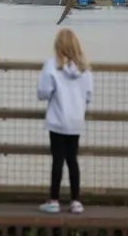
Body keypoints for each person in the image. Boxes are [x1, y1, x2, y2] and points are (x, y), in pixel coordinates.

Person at [36, 28, 93, 214]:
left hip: (57, 121)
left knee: (58, 161)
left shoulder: (52, 65)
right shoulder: (85, 68)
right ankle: (76, 201)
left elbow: (43, 93)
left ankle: (54, 200)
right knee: (72, 160)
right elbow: (88, 95)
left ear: (57, 46)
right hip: (75, 121)